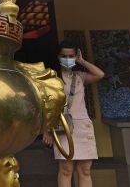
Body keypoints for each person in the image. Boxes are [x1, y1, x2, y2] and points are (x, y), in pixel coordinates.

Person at [43, 41, 105, 187]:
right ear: (58, 56)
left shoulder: (80, 77)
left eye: (71, 56)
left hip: (83, 126)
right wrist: (47, 130)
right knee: (66, 170)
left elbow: (100, 74)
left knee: (85, 170)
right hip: (62, 127)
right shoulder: (51, 78)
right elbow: (46, 105)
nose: (67, 59)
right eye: (64, 56)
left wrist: (81, 61)